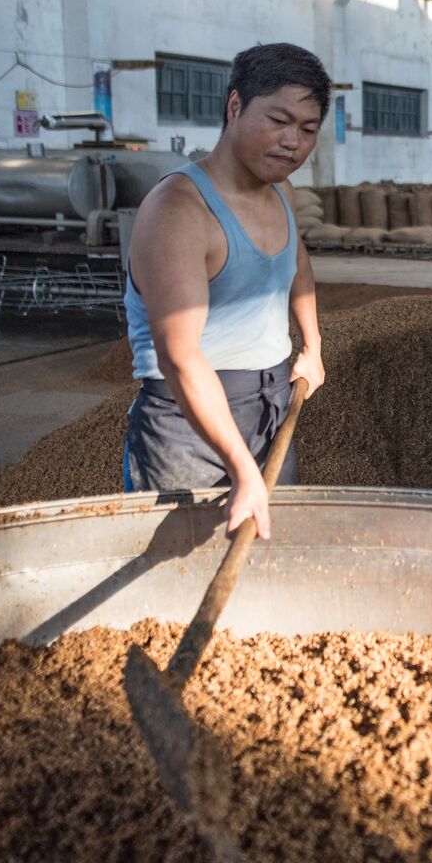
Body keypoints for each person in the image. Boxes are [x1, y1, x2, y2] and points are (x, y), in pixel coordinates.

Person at [122, 42, 329, 540]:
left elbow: (295, 259)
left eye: (307, 129)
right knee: (175, 572)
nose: (292, 142)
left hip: (273, 401)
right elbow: (180, 357)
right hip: (186, 423)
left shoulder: (281, 189)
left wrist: (313, 345)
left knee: (261, 562)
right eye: (278, 120)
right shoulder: (178, 210)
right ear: (234, 107)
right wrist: (241, 466)